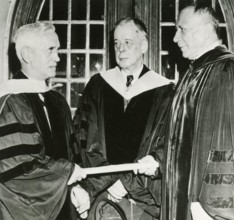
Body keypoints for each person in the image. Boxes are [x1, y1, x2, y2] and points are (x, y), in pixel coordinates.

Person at [139, 3, 234, 220]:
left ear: (207, 29)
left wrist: (211, 208)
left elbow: (233, 148)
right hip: (185, 203)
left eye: (183, 29)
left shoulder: (228, 71)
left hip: (205, 211)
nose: (175, 38)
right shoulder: (191, 75)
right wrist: (158, 160)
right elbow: (181, 141)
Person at [0, 22, 89, 220]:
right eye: (51, 50)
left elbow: (72, 156)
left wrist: (75, 188)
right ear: (27, 55)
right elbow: (17, 168)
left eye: (58, 49)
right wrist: (67, 173)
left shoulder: (58, 102)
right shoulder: (9, 102)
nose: (58, 57)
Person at [72, 17, 174, 219]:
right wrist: (108, 182)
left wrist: (127, 183)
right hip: (101, 192)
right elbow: (85, 140)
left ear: (144, 45)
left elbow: (168, 144)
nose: (120, 49)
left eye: (127, 42)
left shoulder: (165, 91)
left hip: (144, 198)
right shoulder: (98, 85)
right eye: (116, 43)